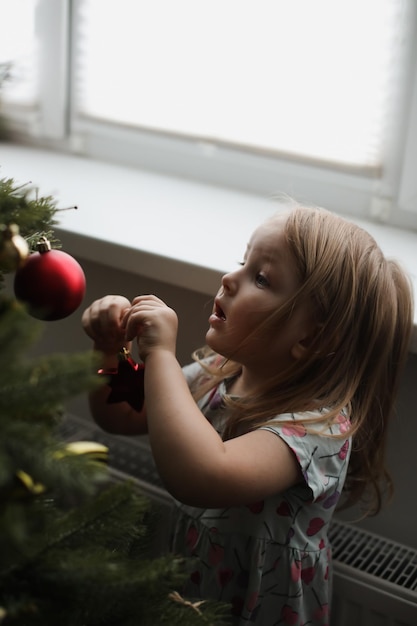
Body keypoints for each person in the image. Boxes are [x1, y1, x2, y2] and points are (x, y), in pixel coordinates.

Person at [81, 204, 413, 625]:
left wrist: (161, 355)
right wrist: (111, 350)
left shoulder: (317, 429)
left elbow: (202, 476)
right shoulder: (217, 374)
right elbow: (123, 415)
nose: (229, 278)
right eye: (243, 261)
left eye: (261, 277)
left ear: (310, 337)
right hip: (193, 592)